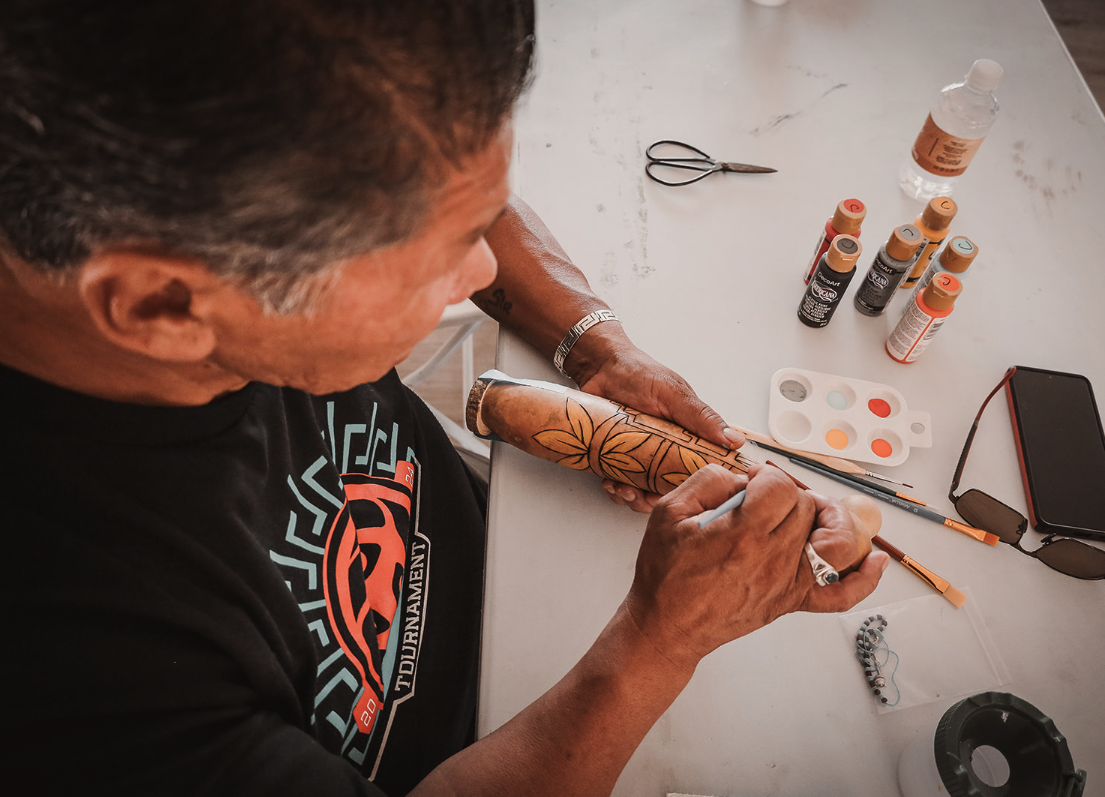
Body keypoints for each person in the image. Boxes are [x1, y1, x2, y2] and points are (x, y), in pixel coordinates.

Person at [0, 1, 887, 794]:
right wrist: (659, 643)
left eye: (471, 225)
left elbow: (440, 185)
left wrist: (599, 348)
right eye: (431, 259)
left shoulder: (233, 216)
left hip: (518, 556)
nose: (482, 272)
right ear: (161, 307)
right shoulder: (79, 680)